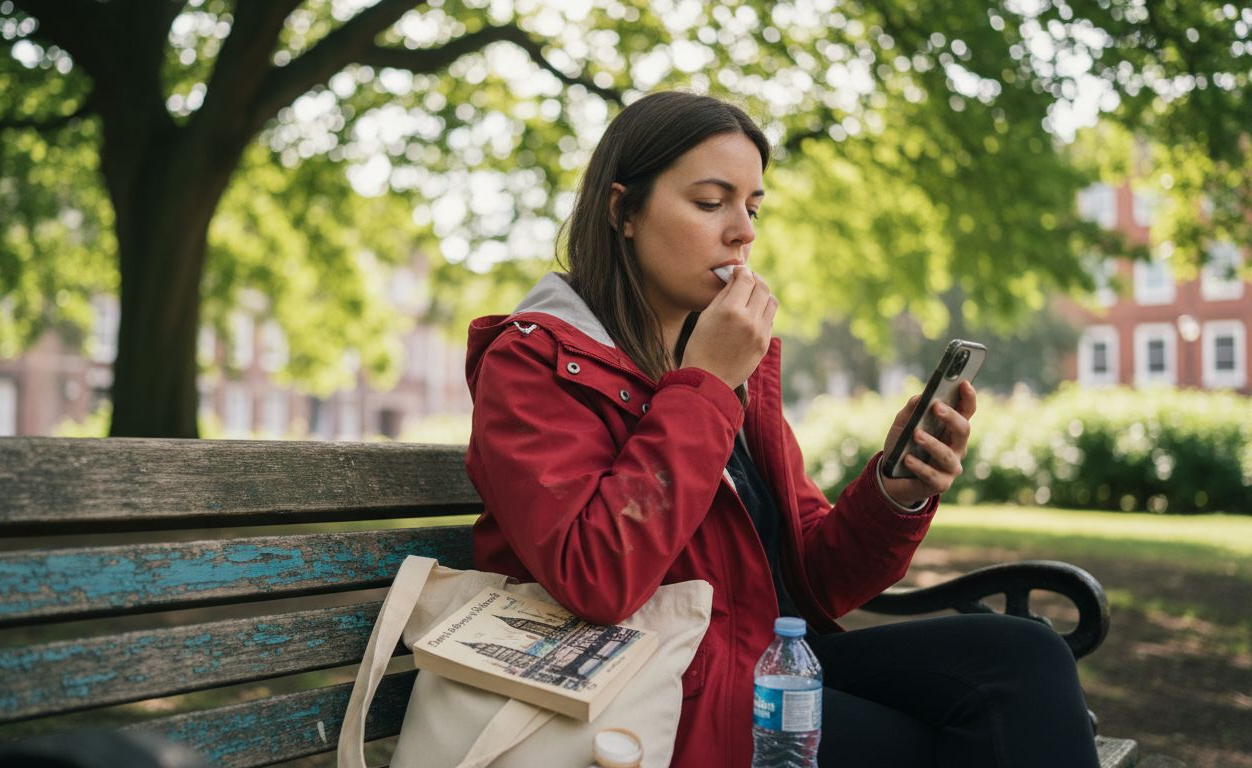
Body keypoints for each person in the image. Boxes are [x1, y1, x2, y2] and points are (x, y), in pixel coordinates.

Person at [463, 91, 1100, 767]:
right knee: (955, 745)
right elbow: (595, 577)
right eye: (711, 202)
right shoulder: (534, 358)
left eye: (752, 207)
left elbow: (818, 579)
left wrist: (896, 490)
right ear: (623, 211)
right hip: (644, 690)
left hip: (757, 662)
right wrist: (704, 387)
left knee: (1023, 654)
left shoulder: (730, 363)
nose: (743, 231)